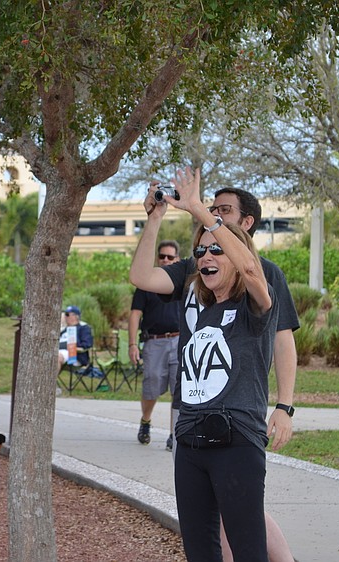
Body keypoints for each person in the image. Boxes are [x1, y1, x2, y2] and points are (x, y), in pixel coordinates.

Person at [131, 167, 283, 561]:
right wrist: (156, 218)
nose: (206, 256)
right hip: (191, 439)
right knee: (200, 553)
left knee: (249, 551)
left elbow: (250, 268)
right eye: (200, 250)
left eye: (217, 249)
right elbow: (140, 275)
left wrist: (200, 210)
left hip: (237, 442)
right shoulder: (192, 298)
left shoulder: (256, 301)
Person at [128, 240, 181, 450]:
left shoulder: (183, 283)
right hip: (154, 342)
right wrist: (132, 344)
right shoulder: (147, 283)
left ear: (177, 259)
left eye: (170, 257)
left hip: (180, 342)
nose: (165, 260)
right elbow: (135, 314)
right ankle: (146, 421)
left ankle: (173, 434)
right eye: (162, 256)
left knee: (179, 391)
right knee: (151, 387)